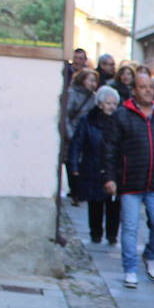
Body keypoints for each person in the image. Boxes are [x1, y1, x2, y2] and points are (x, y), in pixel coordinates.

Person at [106, 73, 154, 288]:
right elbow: (110, 149)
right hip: (129, 181)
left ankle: (151, 254)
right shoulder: (122, 115)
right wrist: (110, 177)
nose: (146, 90)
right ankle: (130, 269)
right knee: (129, 228)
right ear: (134, 90)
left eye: (149, 86)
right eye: (142, 87)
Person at [69, 86, 121, 245]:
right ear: (100, 104)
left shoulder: (119, 121)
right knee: (95, 203)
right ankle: (96, 233)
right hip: (93, 165)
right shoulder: (88, 120)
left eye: (114, 103)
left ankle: (112, 235)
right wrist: (74, 165)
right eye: (108, 103)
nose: (111, 107)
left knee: (113, 203)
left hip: (114, 167)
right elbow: (77, 143)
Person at [62, 67, 99, 206]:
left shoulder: (94, 97)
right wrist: (70, 135)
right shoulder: (72, 94)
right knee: (72, 163)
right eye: (91, 80)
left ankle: (80, 191)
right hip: (72, 134)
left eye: (95, 80)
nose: (93, 83)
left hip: (86, 135)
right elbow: (65, 116)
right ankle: (75, 192)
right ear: (82, 80)